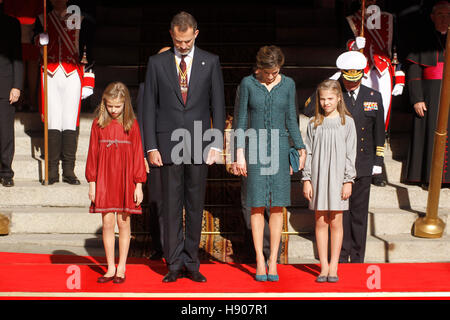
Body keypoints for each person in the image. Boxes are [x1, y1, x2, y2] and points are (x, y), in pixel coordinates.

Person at [142, 12, 225, 283]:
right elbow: (148, 107)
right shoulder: (157, 63)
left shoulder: (210, 61)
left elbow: (218, 104)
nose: (183, 45)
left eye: (187, 40)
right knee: (170, 205)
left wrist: (217, 141)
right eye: (179, 41)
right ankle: (174, 262)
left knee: (194, 204)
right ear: (171, 34)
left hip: (200, 142)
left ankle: (192, 260)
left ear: (196, 34)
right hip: (167, 143)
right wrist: (150, 146)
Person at [303, 51, 385, 263]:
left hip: (362, 163)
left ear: (361, 75)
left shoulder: (373, 97)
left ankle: (357, 258)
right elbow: (309, 109)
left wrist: (378, 162)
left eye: (354, 78)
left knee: (359, 214)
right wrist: (333, 80)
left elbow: (379, 133)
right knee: (341, 214)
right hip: (335, 165)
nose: (351, 83)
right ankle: (341, 255)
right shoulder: (335, 95)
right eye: (346, 78)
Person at [234, 45, 306, 281]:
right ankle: (259, 260)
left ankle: (273, 260)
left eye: (275, 72)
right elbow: (240, 120)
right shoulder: (247, 84)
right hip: (253, 149)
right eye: (267, 72)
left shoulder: (288, 84)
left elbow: (292, 120)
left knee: (277, 207)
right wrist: (239, 153)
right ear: (259, 68)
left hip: (279, 149)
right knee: (255, 205)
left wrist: (300, 147)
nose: (271, 76)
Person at [85, 82, 147, 284]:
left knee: (124, 222)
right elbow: (92, 154)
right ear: (104, 103)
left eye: (117, 106)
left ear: (125, 104)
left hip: (125, 180)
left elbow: (138, 155)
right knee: (108, 223)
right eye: (110, 106)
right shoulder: (98, 124)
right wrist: (92, 183)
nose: (113, 110)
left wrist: (139, 184)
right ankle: (110, 267)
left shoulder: (132, 125)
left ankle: (122, 267)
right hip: (104, 179)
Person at [345, 0, 406, 187]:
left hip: (383, 71)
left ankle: (377, 166)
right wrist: (354, 45)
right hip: (359, 70)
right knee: (360, 118)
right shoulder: (352, 19)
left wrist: (399, 76)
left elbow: (396, 49)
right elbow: (344, 48)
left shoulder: (389, 19)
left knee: (381, 120)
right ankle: (357, 164)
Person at [34, 0, 95, 185]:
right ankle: (52, 171)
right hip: (50, 73)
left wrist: (88, 80)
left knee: (69, 121)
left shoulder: (80, 19)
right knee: (53, 120)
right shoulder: (43, 18)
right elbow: (35, 42)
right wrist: (41, 39)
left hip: (73, 75)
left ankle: (68, 170)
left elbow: (88, 52)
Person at [302, 79, 357, 283]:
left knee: (336, 221)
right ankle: (323, 266)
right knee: (320, 220)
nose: (326, 103)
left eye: (330, 99)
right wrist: (306, 179)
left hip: (338, 177)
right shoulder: (314, 123)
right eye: (323, 99)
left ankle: (334, 265)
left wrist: (347, 180)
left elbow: (351, 154)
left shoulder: (347, 123)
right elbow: (308, 152)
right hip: (318, 176)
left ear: (339, 98)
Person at [230, 85, 281, 264]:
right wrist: (236, 154)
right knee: (250, 204)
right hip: (250, 152)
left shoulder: (282, 87)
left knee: (272, 204)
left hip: (275, 150)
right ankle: (256, 252)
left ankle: (272, 254)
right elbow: (238, 121)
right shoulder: (245, 88)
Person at [405, 1, 450, 188]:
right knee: (431, 134)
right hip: (430, 94)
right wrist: (417, 98)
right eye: (440, 14)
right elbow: (414, 70)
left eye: (448, 14)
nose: (444, 18)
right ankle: (431, 177)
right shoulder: (421, 38)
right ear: (432, 17)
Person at [3, 0, 42, 112]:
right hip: (21, 29)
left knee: (28, 64)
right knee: (22, 64)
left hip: (28, 29)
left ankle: (28, 100)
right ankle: (27, 100)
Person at [0, 0, 23, 187]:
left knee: (5, 131)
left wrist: (17, 85)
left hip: (5, 84)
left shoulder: (11, 24)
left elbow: (17, 55)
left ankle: (6, 171)